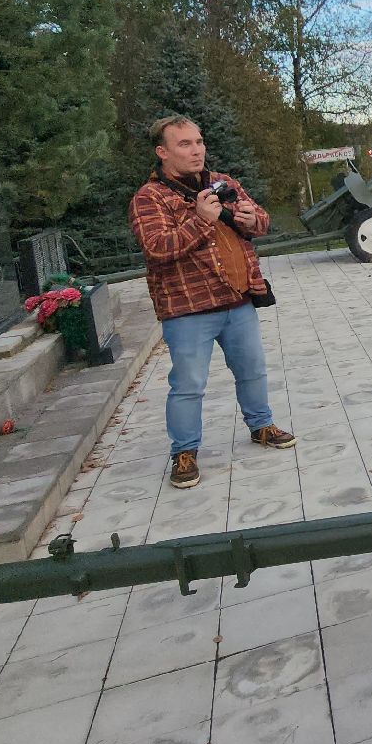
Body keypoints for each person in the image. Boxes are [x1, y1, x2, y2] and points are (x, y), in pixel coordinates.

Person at [130, 115, 297, 489]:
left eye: (199, 142)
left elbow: (263, 223)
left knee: (253, 369)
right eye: (185, 144)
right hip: (188, 309)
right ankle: (185, 451)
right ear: (163, 152)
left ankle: (261, 426)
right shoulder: (149, 197)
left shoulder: (224, 184)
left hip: (237, 300)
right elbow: (157, 248)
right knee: (188, 384)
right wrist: (202, 221)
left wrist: (253, 218)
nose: (197, 150)